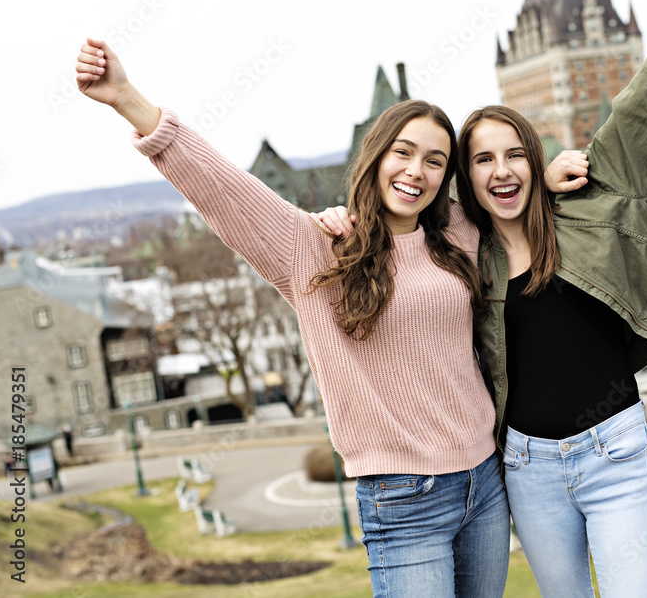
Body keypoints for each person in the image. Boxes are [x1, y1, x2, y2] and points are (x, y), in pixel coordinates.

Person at [75, 42, 575, 596]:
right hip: (401, 496)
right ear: (376, 156)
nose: (417, 171)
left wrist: (545, 179)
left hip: (485, 481)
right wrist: (128, 100)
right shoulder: (315, 248)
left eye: (435, 160)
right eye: (403, 153)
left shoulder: (457, 234)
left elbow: (506, 193)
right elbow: (221, 189)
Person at [456, 0, 647, 596]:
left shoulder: (598, 188)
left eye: (514, 154)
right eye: (482, 160)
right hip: (528, 466)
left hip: (616, 451)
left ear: (535, 154)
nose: (501, 170)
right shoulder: (464, 253)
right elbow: (402, 199)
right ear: (467, 178)